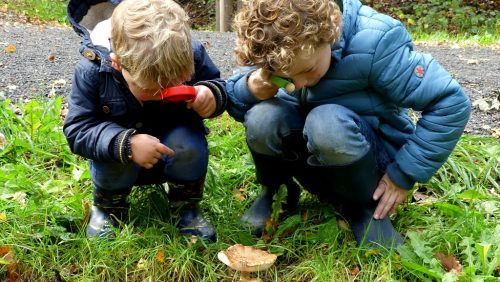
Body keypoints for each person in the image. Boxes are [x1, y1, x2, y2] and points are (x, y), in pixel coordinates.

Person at [226, 0, 471, 248]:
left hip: (369, 162)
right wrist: (250, 88)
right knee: (263, 116)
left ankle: (366, 210)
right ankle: (276, 191)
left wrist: (404, 174)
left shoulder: (374, 42)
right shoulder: (272, 44)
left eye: (308, 69)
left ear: (330, 31)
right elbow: (235, 102)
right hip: (314, 158)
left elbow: (450, 102)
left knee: (326, 121)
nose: (298, 84)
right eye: (285, 78)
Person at [64, 0, 227, 242]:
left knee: (190, 143)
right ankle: (109, 209)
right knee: (115, 151)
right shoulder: (92, 72)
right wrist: (125, 144)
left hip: (175, 151)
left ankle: (186, 206)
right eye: (150, 88)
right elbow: (78, 129)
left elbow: (219, 86)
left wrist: (211, 95)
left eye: (174, 85)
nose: (163, 93)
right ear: (118, 63)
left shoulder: (190, 54)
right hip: (119, 163)